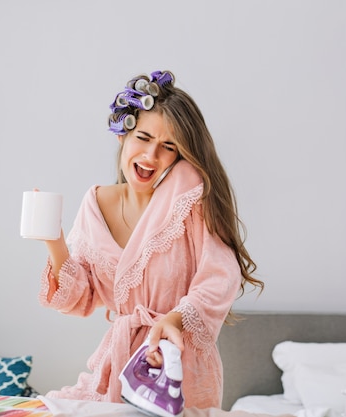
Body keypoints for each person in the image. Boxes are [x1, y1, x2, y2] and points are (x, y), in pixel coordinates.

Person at [36, 70, 264, 409]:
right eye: (143, 137)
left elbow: (221, 274)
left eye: (168, 146)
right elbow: (82, 297)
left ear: (180, 155)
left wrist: (175, 319)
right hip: (120, 363)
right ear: (122, 136)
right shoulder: (96, 203)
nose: (151, 156)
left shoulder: (188, 194)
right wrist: (53, 240)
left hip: (178, 364)